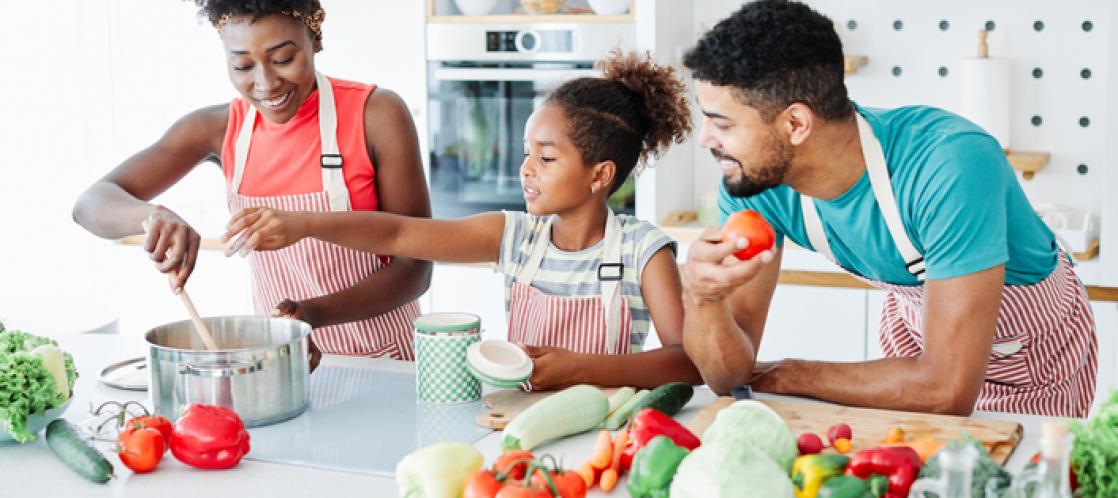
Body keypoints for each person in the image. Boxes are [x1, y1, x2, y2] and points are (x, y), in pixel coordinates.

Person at [679, 0, 1098, 417]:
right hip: (917, 356)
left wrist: (787, 374)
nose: (705, 140)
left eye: (722, 123)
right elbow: (727, 376)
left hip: (1033, 364)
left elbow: (947, 390)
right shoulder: (754, 182)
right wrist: (702, 298)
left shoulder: (950, 163)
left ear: (795, 124)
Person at [222, 52, 701, 391]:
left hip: (608, 431)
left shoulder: (642, 250)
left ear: (600, 175)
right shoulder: (515, 236)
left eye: (547, 158)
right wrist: (304, 224)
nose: (526, 169)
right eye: (525, 152)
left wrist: (582, 369)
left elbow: (687, 362)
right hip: (515, 423)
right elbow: (398, 232)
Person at [72, 0, 432, 366]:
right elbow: (90, 204)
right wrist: (152, 216)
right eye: (242, 65)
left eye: (283, 59)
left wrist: (310, 315)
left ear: (315, 40)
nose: (265, 83)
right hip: (282, 364)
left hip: (386, 360)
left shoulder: (377, 114)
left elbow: (415, 267)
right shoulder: (218, 129)